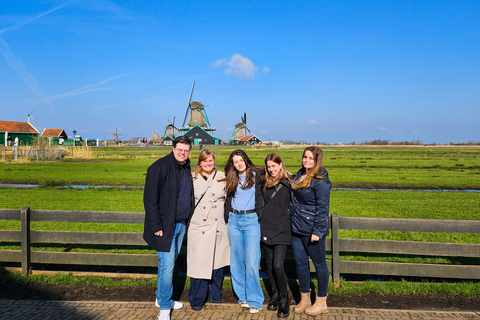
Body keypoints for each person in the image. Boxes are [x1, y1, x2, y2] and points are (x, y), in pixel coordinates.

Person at [143, 136, 194, 320]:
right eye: (180, 149)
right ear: (173, 148)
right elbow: (150, 199)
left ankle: (161, 297)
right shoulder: (159, 167)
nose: (183, 153)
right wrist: (156, 225)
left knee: (168, 264)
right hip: (164, 226)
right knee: (167, 265)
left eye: (186, 150)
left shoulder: (186, 167)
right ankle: (165, 307)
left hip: (180, 224)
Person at [222, 149, 265, 314]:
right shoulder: (231, 178)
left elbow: (275, 174)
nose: (239, 163)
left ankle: (255, 300)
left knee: (252, 261)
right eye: (235, 161)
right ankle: (243, 297)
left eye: (241, 160)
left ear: (246, 160)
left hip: (251, 220)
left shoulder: (258, 174)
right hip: (234, 220)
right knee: (236, 261)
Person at [290, 146, 331, 315]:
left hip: (311, 230)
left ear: (317, 161)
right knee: (300, 264)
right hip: (296, 228)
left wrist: (318, 231)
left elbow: (323, 208)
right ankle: (305, 298)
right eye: (304, 157)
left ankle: (321, 301)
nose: (306, 160)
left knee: (320, 264)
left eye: (310, 158)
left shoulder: (321, 181)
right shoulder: (300, 175)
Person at [187, 149, 230, 311]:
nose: (208, 164)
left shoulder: (222, 176)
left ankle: (214, 295)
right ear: (200, 162)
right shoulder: (192, 178)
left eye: (210, 161)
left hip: (218, 225)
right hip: (200, 225)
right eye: (205, 161)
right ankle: (197, 299)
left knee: (217, 262)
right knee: (199, 263)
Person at [260, 153, 292, 318]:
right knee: (270, 264)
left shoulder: (289, 183)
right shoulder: (264, 182)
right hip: (266, 228)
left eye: (274, 165)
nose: (271, 169)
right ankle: (275, 294)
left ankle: (285, 298)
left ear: (281, 164)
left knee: (278, 266)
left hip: (282, 229)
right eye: (269, 166)